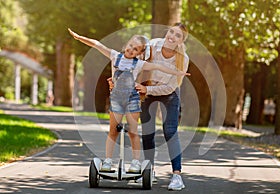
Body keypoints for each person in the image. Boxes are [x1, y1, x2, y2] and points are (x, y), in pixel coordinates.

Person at [68, 28, 190, 173]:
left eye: (136, 49)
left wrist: (178, 72)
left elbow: (159, 68)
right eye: (131, 46)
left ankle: (144, 165)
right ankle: (110, 160)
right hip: (120, 99)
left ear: (139, 54)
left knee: (143, 132)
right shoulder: (119, 55)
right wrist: (79, 37)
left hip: (146, 97)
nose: (132, 50)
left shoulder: (143, 63)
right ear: (126, 44)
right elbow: (98, 45)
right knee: (116, 131)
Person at [135, 23, 189, 191]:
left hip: (169, 93)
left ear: (181, 41)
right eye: (171, 32)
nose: (172, 36)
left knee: (170, 131)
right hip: (147, 90)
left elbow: (170, 87)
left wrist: (147, 89)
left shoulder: (183, 60)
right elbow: (137, 66)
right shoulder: (152, 46)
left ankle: (177, 176)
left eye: (177, 35)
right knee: (147, 131)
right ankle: (149, 169)